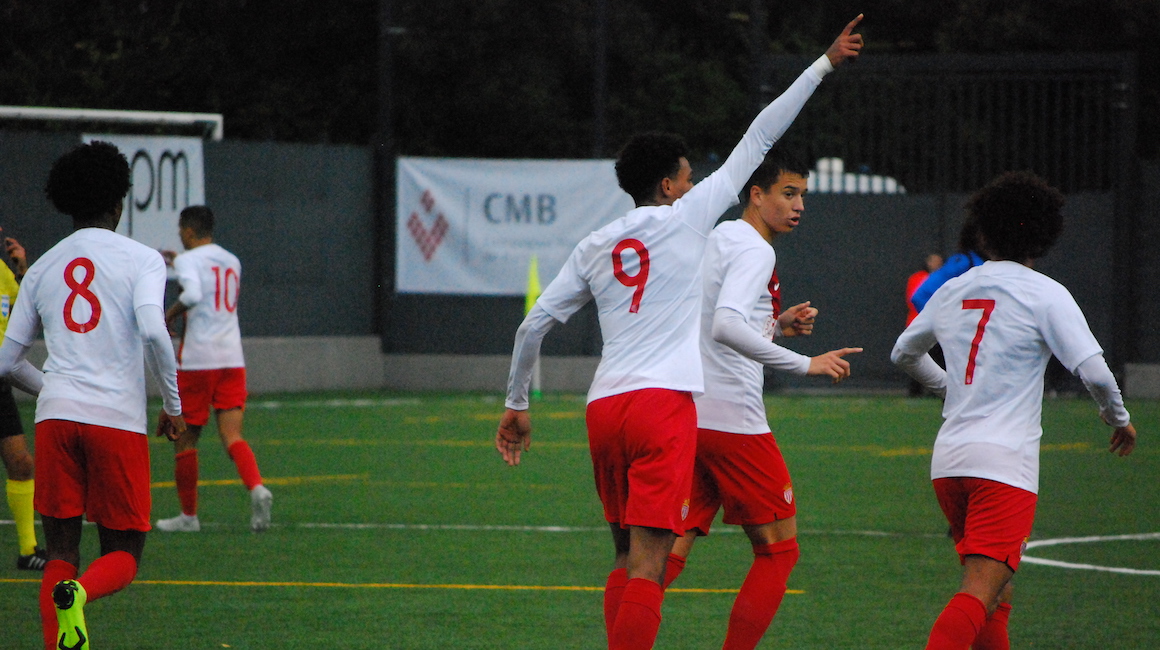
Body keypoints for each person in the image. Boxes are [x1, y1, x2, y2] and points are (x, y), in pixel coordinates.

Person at [494, 16, 864, 650]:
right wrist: (823, 64)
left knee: (625, 559)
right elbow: (762, 132)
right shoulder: (689, 218)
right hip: (662, 408)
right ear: (669, 186)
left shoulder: (594, 244)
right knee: (650, 565)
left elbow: (533, 325)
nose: (696, 186)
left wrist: (516, 404)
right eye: (689, 178)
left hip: (604, 407)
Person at [891, 171, 1137, 650]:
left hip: (949, 464)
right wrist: (1119, 419)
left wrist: (950, 389)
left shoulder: (955, 287)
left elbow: (903, 353)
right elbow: (1096, 374)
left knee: (996, 596)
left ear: (983, 231)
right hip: (1003, 467)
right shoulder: (1045, 293)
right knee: (978, 592)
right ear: (1045, 233)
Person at [659, 148, 862, 650]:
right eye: (788, 194)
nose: (799, 206)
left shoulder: (719, 237)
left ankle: (624, 635)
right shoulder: (755, 249)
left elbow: (714, 317)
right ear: (756, 194)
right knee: (778, 551)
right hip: (735, 423)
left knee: (664, 551)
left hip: (693, 414)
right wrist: (806, 363)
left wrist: (775, 324)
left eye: (802, 196)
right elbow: (727, 326)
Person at [0, 141, 185, 650]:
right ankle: (79, 594)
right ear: (118, 202)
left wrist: (56, 390)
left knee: (59, 551)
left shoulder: (42, 267)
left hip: (55, 419)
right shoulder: (142, 259)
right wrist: (173, 406)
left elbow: (6, 362)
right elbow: (155, 332)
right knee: (124, 554)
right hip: (115, 421)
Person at [155, 205, 272, 534]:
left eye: (181, 229)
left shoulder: (188, 261)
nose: (180, 235)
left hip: (198, 360)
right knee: (232, 435)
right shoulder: (232, 260)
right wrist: (180, 260)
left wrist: (168, 315)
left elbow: (194, 293)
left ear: (189, 231)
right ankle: (257, 488)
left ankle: (188, 517)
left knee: (185, 438)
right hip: (231, 358)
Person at [0, 229, 46, 570]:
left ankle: (28, 550)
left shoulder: (3, 272)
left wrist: (22, 270)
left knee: (21, 463)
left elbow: (31, 310)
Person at [905, 252, 943, 396]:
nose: (936, 264)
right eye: (933, 261)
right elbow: (914, 299)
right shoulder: (918, 278)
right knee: (917, 356)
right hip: (918, 322)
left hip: (938, 324)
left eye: (939, 262)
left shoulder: (942, 278)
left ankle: (935, 390)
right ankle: (915, 390)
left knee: (938, 359)